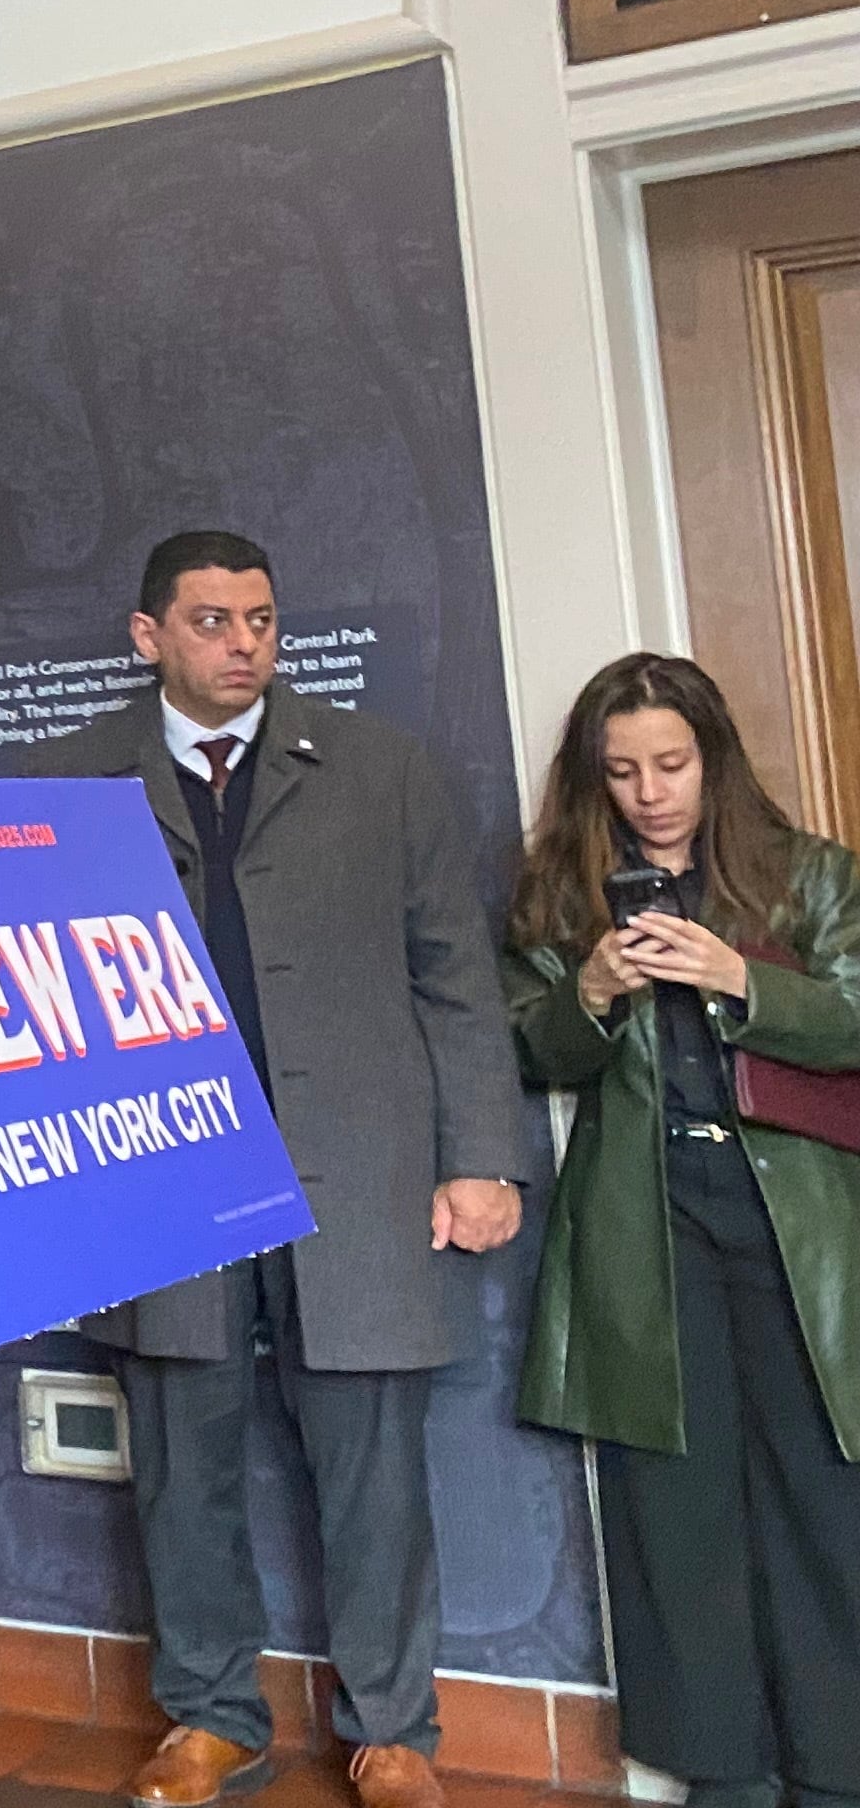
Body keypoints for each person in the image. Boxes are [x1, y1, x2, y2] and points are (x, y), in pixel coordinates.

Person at [22, 530, 529, 1808]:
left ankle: (394, 1732)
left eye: (260, 619)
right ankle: (211, 1720)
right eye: (211, 621)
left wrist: (481, 1158)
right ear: (148, 636)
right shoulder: (69, 778)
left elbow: (456, 979)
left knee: (374, 1472)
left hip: (354, 1168)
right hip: (160, 1172)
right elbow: (19, 993)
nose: (243, 643)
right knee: (180, 1466)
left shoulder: (379, 768)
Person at [506, 651, 860, 1808]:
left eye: (671, 763)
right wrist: (590, 994)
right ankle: (722, 1773)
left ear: (714, 759)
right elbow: (527, 1047)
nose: (651, 792)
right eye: (623, 771)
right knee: (676, 1507)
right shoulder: (564, 893)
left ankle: (838, 1766)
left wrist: (741, 978)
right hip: (648, 1218)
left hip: (796, 1219)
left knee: (822, 1493)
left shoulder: (809, 875)